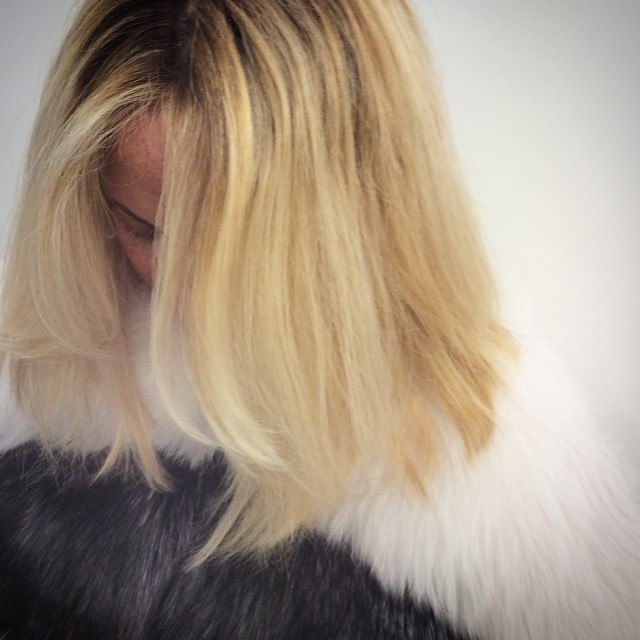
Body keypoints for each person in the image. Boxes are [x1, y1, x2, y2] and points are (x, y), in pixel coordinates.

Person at [0, 0, 638, 638]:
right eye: (145, 230)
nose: (186, 302)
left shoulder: (513, 498)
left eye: (244, 248)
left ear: (369, 203)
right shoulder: (44, 388)